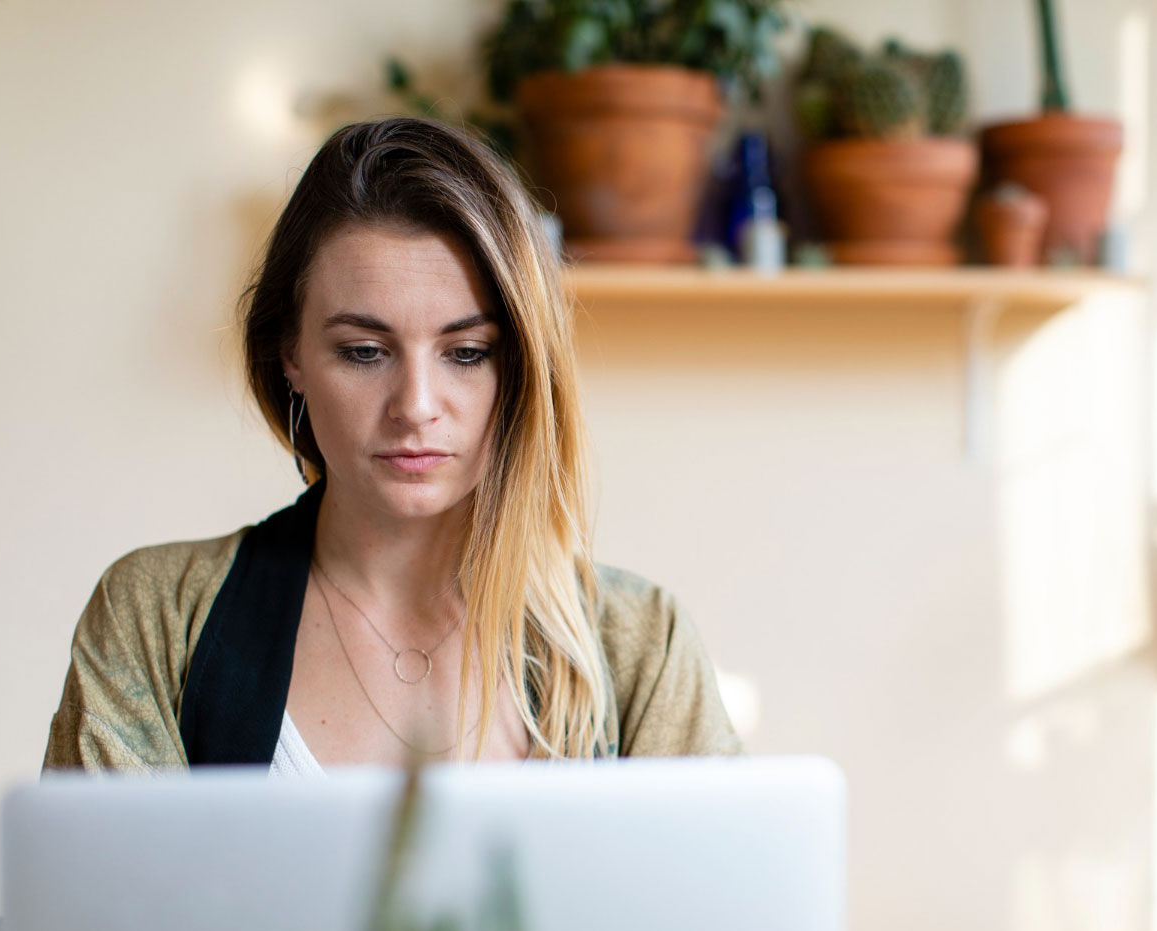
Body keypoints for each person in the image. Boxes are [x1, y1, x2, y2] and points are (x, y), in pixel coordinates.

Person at [43, 118, 741, 773]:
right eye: (365, 351)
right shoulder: (157, 619)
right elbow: (100, 901)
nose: (415, 407)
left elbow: (720, 898)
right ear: (291, 354)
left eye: (467, 353)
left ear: (524, 366)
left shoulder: (639, 643)